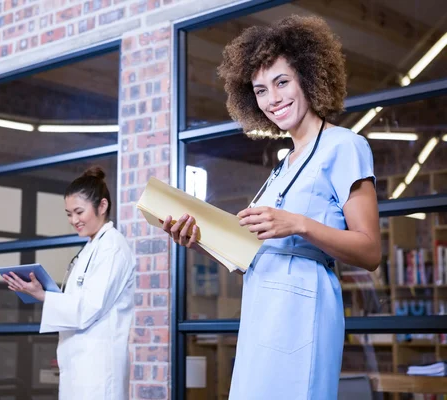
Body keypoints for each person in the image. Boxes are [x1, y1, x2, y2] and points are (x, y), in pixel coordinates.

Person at [162, 15, 381, 399]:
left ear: (310, 78)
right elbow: (252, 254)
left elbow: (370, 250)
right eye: (261, 90)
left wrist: (299, 224)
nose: (273, 99)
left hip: (304, 308)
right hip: (262, 306)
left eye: (282, 82)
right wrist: (197, 240)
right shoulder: (282, 166)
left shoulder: (344, 146)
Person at [2, 166, 135, 400]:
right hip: (79, 365)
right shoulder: (90, 249)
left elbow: (88, 308)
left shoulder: (113, 248)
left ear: (102, 206)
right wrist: (42, 292)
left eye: (79, 212)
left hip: (99, 368)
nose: (73, 221)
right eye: (68, 214)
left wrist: (43, 294)